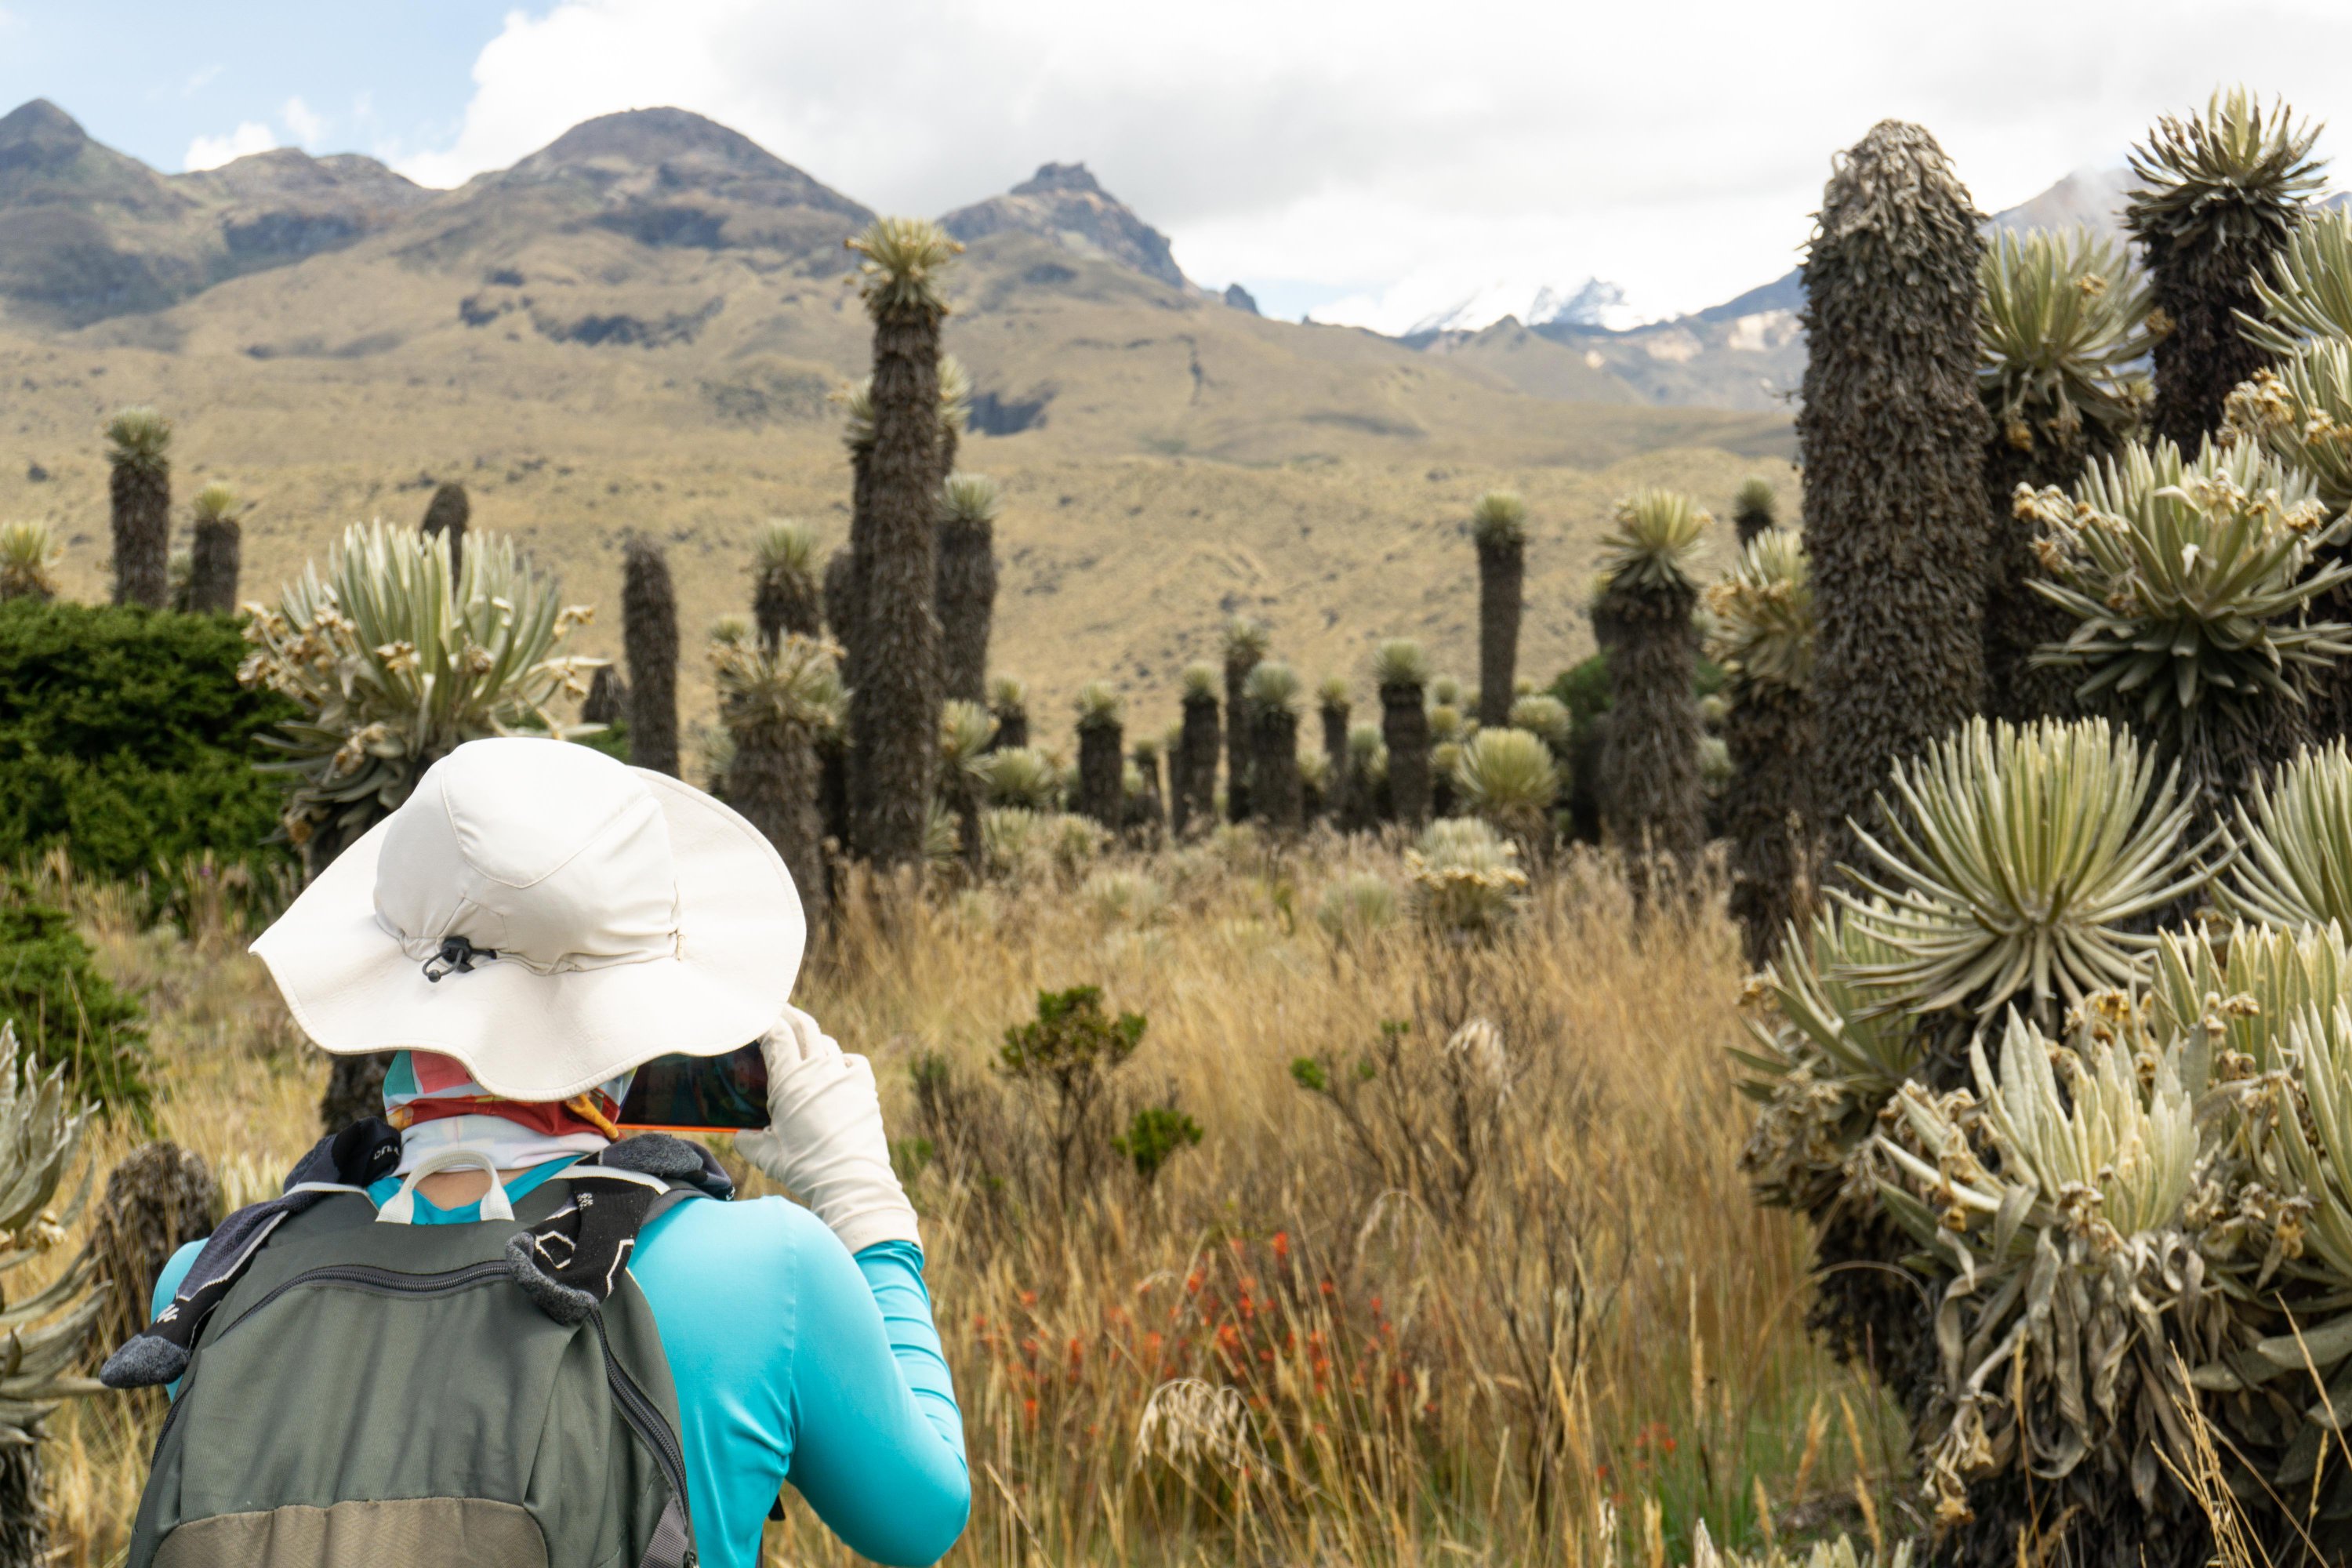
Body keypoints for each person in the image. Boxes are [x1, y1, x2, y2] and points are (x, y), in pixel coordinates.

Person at [125, 737, 970, 1568]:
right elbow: (923, 1518)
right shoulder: (767, 1270)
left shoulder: (207, 1287)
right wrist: (862, 1194)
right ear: (637, 1014)